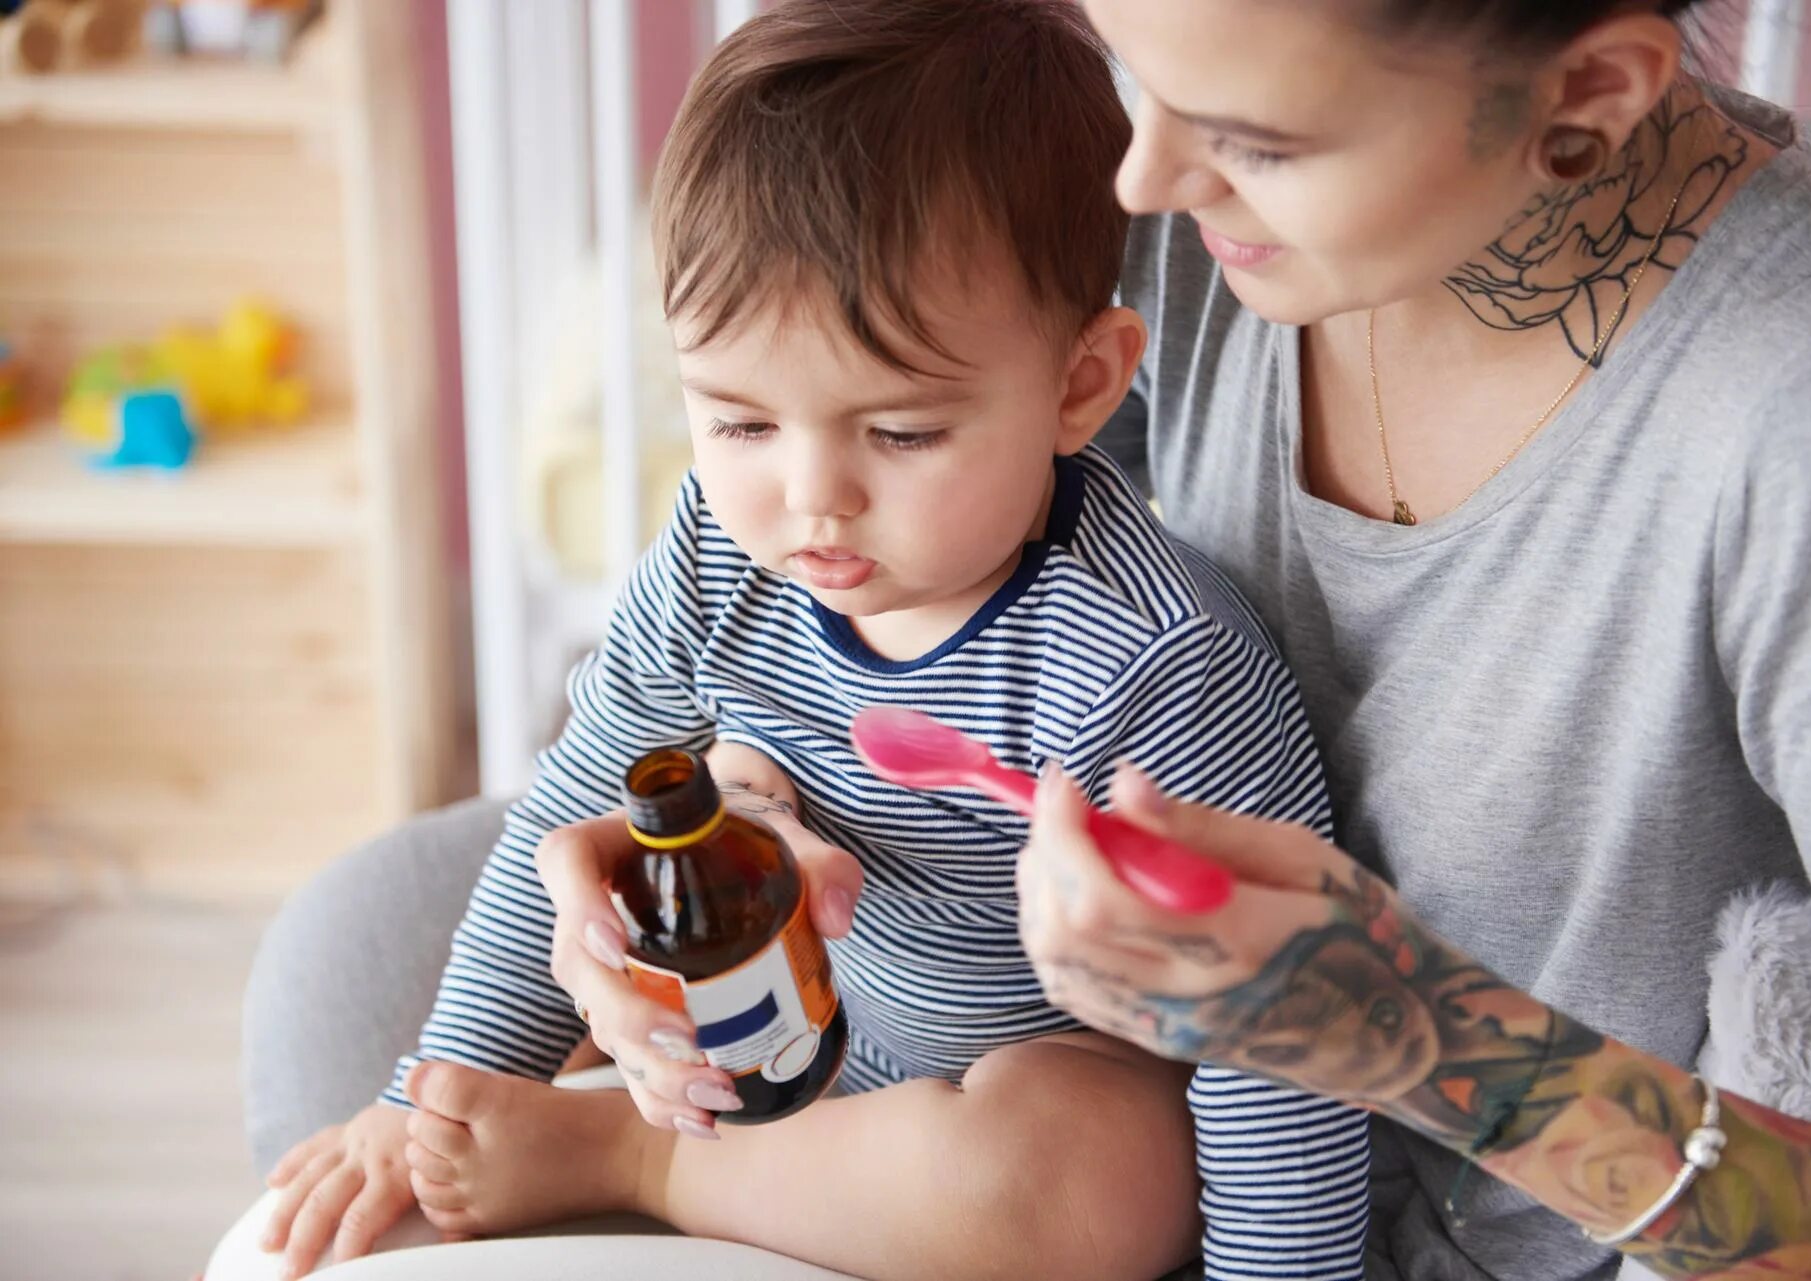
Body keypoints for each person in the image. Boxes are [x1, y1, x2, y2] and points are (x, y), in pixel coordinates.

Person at [225, 3, 1373, 1280]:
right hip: (794, 1043)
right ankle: (659, 1141)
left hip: (1029, 1091)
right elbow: (575, 796)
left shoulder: (1148, 663)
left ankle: (634, 1161)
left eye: (901, 434)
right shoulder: (722, 553)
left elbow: (1277, 1051)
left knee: (1103, 1167)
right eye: (740, 424)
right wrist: (429, 1093)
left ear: (1080, 386)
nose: (812, 500)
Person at [999, 1, 1811, 1279]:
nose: (1140, 176)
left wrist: (1412, 1036)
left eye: (1256, 141)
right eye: (1132, 68)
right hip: (1192, 1176)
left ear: (1589, 92)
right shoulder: (1193, 224)